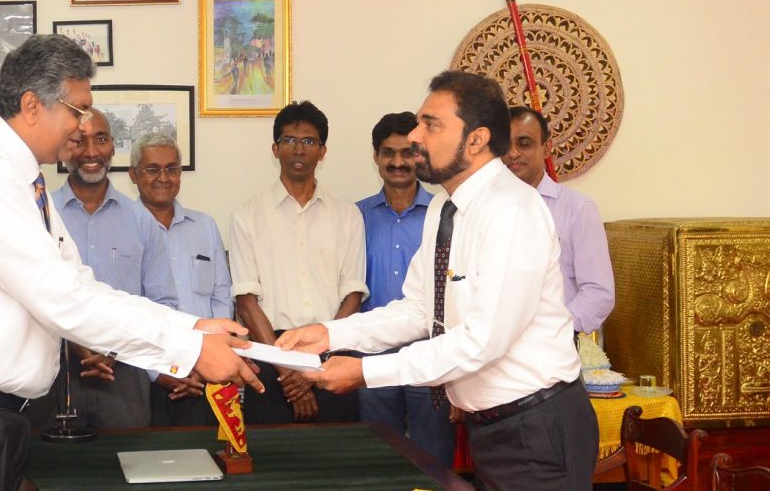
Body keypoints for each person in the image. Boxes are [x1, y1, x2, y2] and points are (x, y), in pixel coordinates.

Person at [0, 35, 262, 490]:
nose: (81, 127)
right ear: (32, 105)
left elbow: (82, 286)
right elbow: (62, 300)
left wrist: (191, 328)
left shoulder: (22, 179)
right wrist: (190, 350)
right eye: (77, 110)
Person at [277, 71, 597, 490]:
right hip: (494, 427)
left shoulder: (511, 211)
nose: (415, 136)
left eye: (431, 124)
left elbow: (482, 342)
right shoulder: (444, 207)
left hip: (535, 428)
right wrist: (329, 334)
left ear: (476, 140)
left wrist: (365, 371)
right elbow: (419, 310)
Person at [228, 100, 368, 424]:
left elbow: (353, 297)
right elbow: (246, 302)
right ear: (275, 149)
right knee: (272, 453)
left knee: (338, 451)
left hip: (331, 359)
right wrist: (288, 370)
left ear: (323, 151)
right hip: (270, 359)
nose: (299, 149)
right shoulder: (246, 216)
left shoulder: (347, 215)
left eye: (309, 141)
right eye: (290, 140)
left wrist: (316, 365)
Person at [50, 109, 177, 429]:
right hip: (54, 371)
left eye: (101, 139)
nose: (91, 151)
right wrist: (77, 343)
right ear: (64, 147)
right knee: (50, 461)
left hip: (126, 376)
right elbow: (27, 294)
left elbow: (162, 304)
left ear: (113, 147)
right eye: (79, 140)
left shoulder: (141, 221)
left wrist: (117, 348)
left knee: (127, 459)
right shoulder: (42, 215)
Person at [354, 112, 454, 466]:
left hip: (430, 354)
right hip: (373, 356)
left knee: (432, 459)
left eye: (407, 152)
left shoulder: (444, 214)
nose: (398, 162)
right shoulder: (354, 217)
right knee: (378, 459)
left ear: (420, 154)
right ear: (376, 156)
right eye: (388, 153)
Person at [129, 133, 232, 427]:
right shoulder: (122, 229)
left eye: (172, 168)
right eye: (152, 169)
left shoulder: (205, 226)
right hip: (145, 376)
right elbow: (121, 309)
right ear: (134, 175)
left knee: (207, 450)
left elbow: (221, 297)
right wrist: (158, 370)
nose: (163, 177)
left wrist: (208, 359)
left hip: (205, 373)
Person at [505, 106, 615, 334]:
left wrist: (553, 332)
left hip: (555, 343)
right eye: (505, 145)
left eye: (524, 144)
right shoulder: (487, 208)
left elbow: (598, 292)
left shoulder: (578, 209)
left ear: (546, 148)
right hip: (497, 346)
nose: (513, 153)